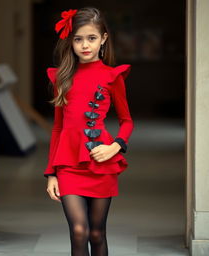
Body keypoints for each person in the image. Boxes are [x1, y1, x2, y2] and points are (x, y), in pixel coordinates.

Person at [44, 7, 134, 256]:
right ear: (70, 41)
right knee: (79, 231)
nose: (85, 45)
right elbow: (58, 128)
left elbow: (127, 122)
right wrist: (51, 173)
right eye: (78, 38)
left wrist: (115, 146)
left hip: (101, 161)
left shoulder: (112, 77)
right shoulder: (62, 78)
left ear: (103, 39)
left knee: (96, 233)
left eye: (91, 38)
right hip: (68, 164)